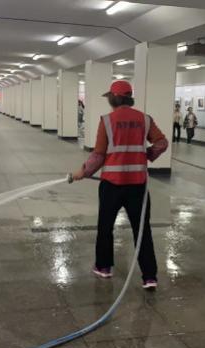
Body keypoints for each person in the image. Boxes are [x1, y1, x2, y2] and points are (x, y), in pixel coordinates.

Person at [72, 80, 168, 290]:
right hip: (138, 186)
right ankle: (149, 277)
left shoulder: (107, 120)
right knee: (142, 230)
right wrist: (147, 154)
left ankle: (104, 267)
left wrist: (83, 172)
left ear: (115, 98)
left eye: (110, 97)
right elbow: (162, 143)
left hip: (112, 185)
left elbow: (99, 155)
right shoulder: (145, 119)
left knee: (105, 227)